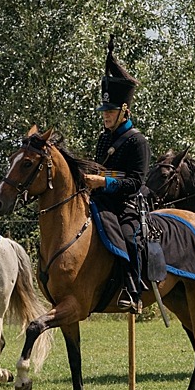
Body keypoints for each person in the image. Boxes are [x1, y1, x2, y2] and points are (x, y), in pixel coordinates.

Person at [84, 40, 150, 312]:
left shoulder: (137, 142)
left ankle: (132, 290)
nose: (105, 117)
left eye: (110, 112)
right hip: (99, 201)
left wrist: (103, 182)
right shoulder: (103, 139)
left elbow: (136, 183)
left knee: (128, 237)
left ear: (124, 111)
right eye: (104, 112)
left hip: (126, 205)